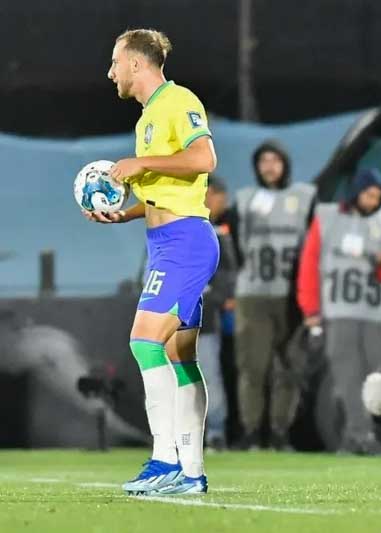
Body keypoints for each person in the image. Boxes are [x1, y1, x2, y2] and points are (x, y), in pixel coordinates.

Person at [85, 29, 218, 495]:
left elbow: (204, 157)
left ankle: (165, 461)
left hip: (186, 241)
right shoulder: (147, 119)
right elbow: (163, 187)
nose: (111, 72)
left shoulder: (177, 100)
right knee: (181, 357)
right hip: (166, 241)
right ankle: (193, 473)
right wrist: (126, 211)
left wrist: (140, 165)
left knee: (145, 342)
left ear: (137, 63)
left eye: (115, 62)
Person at [296, 168, 381, 454]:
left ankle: (353, 440)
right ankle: (361, 437)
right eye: (369, 195)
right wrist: (311, 310)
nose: (373, 202)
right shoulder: (327, 218)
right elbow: (309, 265)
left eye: (378, 197)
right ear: (356, 191)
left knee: (371, 378)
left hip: (373, 315)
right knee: (347, 377)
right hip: (340, 313)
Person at [228, 141, 315, 450]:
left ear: (285, 163)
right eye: (263, 160)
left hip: (290, 294)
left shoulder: (304, 198)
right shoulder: (245, 200)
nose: (269, 166)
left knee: (289, 368)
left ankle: (280, 432)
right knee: (253, 367)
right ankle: (251, 431)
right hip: (253, 293)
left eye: (275, 159)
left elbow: (313, 246)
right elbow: (232, 247)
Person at [198, 175, 237, 451]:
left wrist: (215, 295)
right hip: (173, 319)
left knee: (209, 376)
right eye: (220, 196)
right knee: (174, 378)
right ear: (208, 193)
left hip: (205, 320)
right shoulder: (176, 226)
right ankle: (172, 435)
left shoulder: (220, 233)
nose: (223, 203)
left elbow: (227, 275)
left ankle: (215, 432)